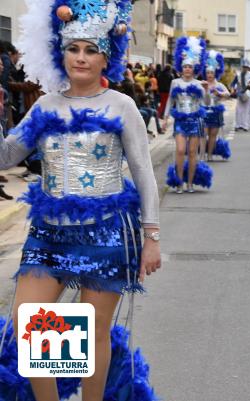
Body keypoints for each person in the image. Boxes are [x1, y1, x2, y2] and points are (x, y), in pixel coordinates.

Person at [0, 0, 161, 399]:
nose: (81, 58)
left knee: (92, 333)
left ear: (107, 59)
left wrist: (151, 237)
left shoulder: (122, 107)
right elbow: (7, 156)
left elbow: (143, 173)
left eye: (91, 50)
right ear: (62, 52)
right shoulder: (45, 104)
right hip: (47, 236)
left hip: (105, 235)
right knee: (30, 324)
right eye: (74, 49)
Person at [163, 36, 207, 193]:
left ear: (194, 68)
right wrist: (165, 118)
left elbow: (205, 102)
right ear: (181, 68)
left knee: (192, 153)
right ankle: (179, 181)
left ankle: (190, 183)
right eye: (185, 66)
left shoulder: (198, 84)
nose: (187, 69)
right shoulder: (175, 82)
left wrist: (205, 90)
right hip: (180, 121)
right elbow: (170, 100)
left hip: (195, 120)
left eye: (190, 66)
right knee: (180, 150)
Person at [201, 50, 230, 161]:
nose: (209, 75)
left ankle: (210, 154)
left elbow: (228, 94)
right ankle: (202, 154)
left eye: (211, 73)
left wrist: (220, 94)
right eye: (208, 73)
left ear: (215, 73)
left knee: (213, 135)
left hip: (216, 112)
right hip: (204, 111)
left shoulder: (219, 85)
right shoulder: (202, 83)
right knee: (203, 134)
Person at [231, 59, 250, 131]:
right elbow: (233, 83)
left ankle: (245, 126)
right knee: (238, 110)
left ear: (248, 67)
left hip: (248, 94)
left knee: (246, 111)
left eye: (246, 67)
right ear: (241, 67)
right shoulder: (238, 74)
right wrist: (232, 90)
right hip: (240, 94)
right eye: (244, 67)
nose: (245, 68)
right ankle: (237, 125)